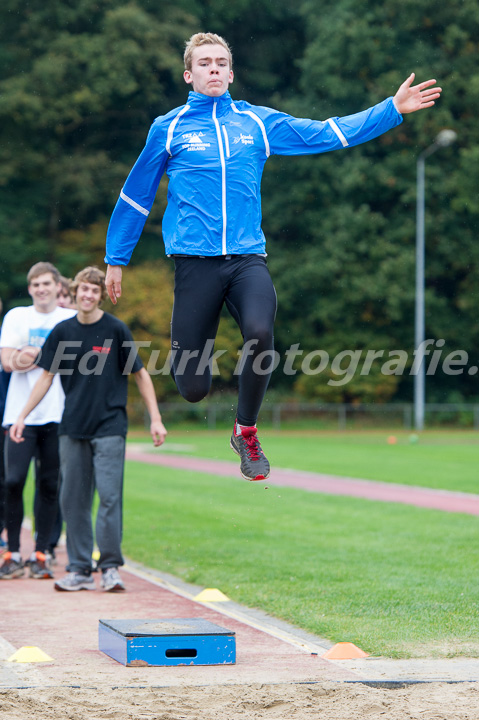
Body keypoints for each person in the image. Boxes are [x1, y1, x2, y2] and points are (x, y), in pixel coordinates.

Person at [104, 32, 442, 482]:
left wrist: (389, 110)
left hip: (247, 259)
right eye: (205, 63)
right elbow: (136, 196)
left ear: (231, 72)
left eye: (222, 62)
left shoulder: (256, 123)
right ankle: (209, 392)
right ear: (189, 74)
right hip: (195, 264)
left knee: (261, 333)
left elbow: (326, 132)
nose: (215, 69)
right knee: (192, 389)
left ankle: (246, 432)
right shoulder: (169, 127)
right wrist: (115, 257)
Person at [10, 266, 167, 592]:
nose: (88, 295)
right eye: (84, 289)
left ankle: (109, 567)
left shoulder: (116, 329)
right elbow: (46, 378)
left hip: (110, 426)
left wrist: (155, 418)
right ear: (76, 291)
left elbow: (141, 374)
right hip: (72, 426)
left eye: (95, 291)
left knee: (109, 497)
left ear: (101, 295)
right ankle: (80, 569)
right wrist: (22, 415)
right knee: (73, 499)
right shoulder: (63, 331)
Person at [0, 262, 76, 579]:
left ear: (57, 287)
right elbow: (7, 362)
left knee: (49, 485)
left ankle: (42, 554)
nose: (41, 289)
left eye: (46, 284)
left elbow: (77, 362)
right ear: (30, 289)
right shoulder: (17, 316)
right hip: (19, 416)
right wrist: (45, 356)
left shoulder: (68, 318)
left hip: (58, 414)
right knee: (13, 481)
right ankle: (12, 552)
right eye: (35, 285)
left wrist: (29, 354)